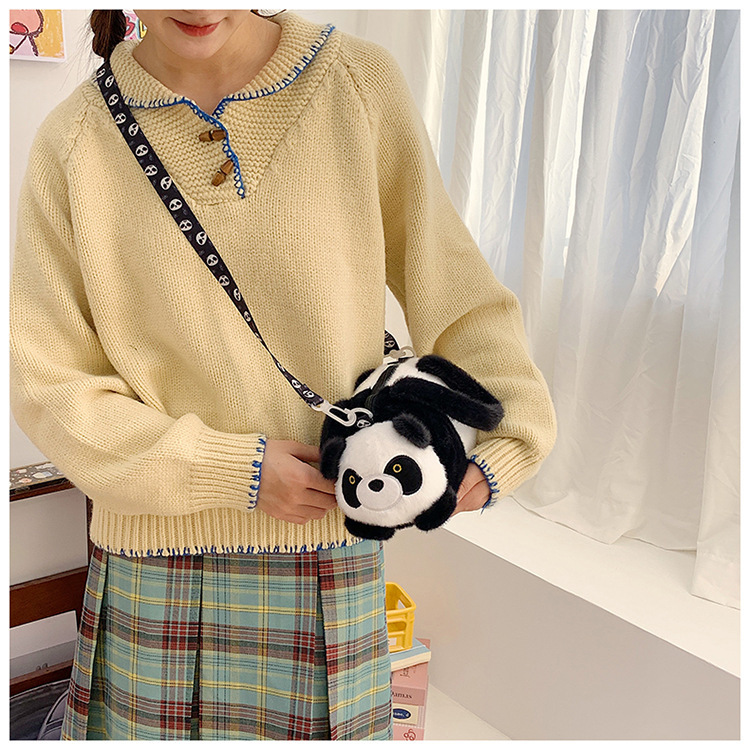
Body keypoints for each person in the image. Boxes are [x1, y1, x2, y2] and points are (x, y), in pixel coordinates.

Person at [9, 9, 557, 741]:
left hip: (326, 545)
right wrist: (229, 470)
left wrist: (510, 433)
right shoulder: (74, 140)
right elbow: (48, 384)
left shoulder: (356, 85)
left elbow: (454, 288)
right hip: (154, 560)